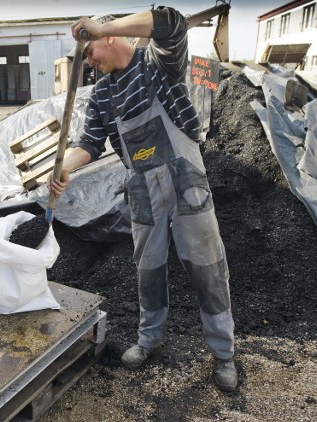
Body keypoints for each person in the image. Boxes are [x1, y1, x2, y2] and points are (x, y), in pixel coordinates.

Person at [48, 7, 238, 392]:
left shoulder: (158, 63)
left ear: (109, 37)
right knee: (148, 269)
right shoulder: (101, 93)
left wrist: (102, 24)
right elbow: (88, 143)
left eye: (89, 52)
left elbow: (171, 20)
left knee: (207, 266)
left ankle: (224, 354)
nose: (89, 62)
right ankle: (149, 340)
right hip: (142, 187)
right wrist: (64, 167)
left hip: (185, 180)